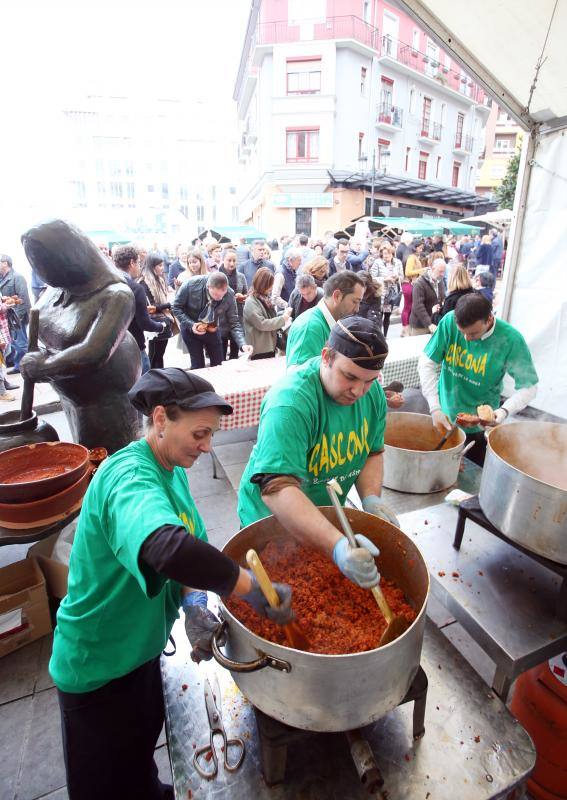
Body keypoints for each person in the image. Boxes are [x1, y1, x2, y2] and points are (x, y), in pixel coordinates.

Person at [50, 368, 293, 800]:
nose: (207, 446)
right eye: (200, 433)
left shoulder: (174, 467)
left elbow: (192, 542)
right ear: (160, 419)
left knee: (139, 755)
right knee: (104, 786)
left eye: (212, 435)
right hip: (98, 664)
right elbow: (168, 548)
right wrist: (249, 587)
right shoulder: (128, 476)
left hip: (141, 651)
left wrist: (195, 603)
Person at [238, 316, 399, 590]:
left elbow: (372, 452)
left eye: (370, 381)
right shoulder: (290, 403)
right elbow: (277, 487)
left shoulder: (372, 396)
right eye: (349, 376)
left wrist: (371, 498)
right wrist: (337, 547)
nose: (358, 391)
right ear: (326, 356)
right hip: (272, 520)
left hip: (325, 514)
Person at [418, 293, 538, 466]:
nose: (467, 339)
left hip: (480, 429)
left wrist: (503, 412)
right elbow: (427, 363)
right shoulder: (449, 322)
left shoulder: (510, 340)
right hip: (443, 417)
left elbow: (529, 387)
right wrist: (435, 407)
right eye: (462, 333)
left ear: (489, 319)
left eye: (473, 333)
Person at [285, 271, 365, 369]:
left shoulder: (325, 323)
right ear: (337, 296)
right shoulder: (310, 327)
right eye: (355, 301)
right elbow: (298, 378)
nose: (357, 309)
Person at [172, 271, 251, 369]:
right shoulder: (190, 285)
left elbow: (234, 322)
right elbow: (175, 307)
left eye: (223, 294)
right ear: (208, 286)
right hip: (190, 328)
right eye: (216, 295)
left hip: (212, 328)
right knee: (198, 365)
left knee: (219, 364)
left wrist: (243, 344)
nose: (220, 298)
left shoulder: (230, 294)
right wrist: (191, 324)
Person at [113, 246, 166, 374]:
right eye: (138, 263)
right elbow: (144, 323)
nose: (140, 267)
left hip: (112, 351)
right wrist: (161, 326)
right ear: (132, 263)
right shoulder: (135, 288)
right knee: (143, 390)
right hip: (134, 349)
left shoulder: (107, 285)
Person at [243, 268, 292, 360]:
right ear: (262, 285)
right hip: (259, 349)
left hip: (269, 346)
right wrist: (283, 319)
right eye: (269, 285)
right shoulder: (251, 301)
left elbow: (270, 317)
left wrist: (283, 315)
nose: (271, 288)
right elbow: (262, 324)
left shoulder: (264, 298)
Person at [139, 254, 173, 370]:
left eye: (163, 265)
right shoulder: (144, 283)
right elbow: (150, 307)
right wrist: (168, 305)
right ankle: (154, 379)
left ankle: (161, 377)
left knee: (160, 354)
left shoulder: (161, 279)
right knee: (154, 355)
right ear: (152, 267)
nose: (162, 268)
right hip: (154, 322)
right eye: (160, 265)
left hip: (164, 320)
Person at [0, 254, 31, 375]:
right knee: (12, 342)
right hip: (6, 317)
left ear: (5, 263)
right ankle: (15, 363)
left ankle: (26, 367)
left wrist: (17, 318)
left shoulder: (17, 277)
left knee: (21, 343)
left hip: (17, 317)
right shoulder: (2, 278)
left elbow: (23, 300)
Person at [219, 248, 248, 360]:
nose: (232, 263)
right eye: (229, 260)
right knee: (221, 355)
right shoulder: (216, 276)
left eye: (234, 260)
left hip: (237, 316)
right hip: (221, 318)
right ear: (223, 260)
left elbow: (246, 294)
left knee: (235, 354)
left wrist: (242, 297)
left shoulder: (241, 276)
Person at [370, 244, 403, 337]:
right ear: (381, 254)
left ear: (392, 253)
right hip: (380, 294)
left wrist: (397, 277)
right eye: (384, 253)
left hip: (390, 295)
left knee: (387, 314)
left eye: (389, 253)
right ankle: (378, 335)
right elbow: (372, 278)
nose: (387, 255)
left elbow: (402, 277)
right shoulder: (377, 263)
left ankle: (385, 335)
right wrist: (385, 279)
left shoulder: (397, 262)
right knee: (379, 315)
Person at [409, 258, 446, 335]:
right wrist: (429, 324)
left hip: (435, 323)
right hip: (420, 326)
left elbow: (442, 298)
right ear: (433, 268)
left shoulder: (440, 281)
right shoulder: (419, 283)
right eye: (440, 271)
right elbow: (418, 306)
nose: (442, 274)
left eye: (443, 271)